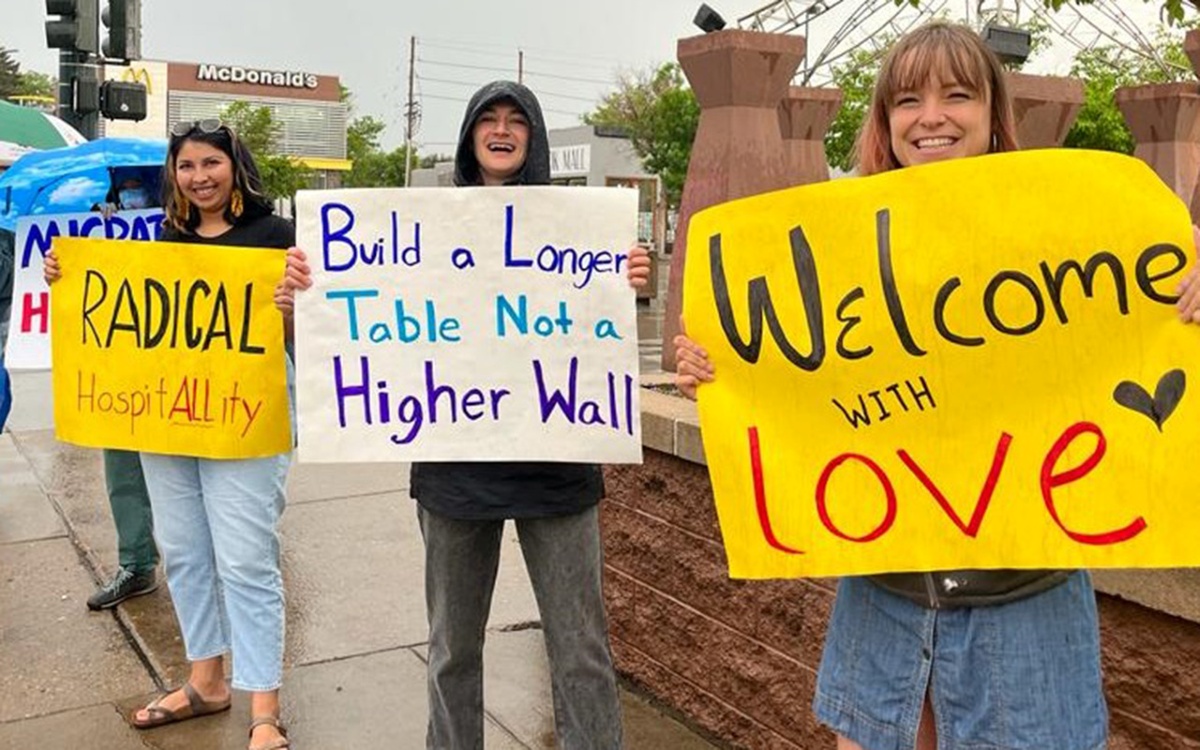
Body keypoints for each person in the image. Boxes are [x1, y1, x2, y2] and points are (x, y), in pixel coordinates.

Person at [675, 22, 1124, 750]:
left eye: (957, 94)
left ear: (993, 114)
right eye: (907, 100)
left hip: (1023, 606)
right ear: (885, 121)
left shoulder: (1063, 233)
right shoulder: (837, 246)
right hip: (885, 594)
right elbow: (794, 373)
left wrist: (1183, 286)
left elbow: (1128, 342)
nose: (932, 116)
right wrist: (720, 370)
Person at [280, 80, 651, 749]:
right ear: (470, 135)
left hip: (558, 468)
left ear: (534, 139)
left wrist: (628, 284)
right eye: (489, 119)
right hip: (455, 469)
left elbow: (604, 328)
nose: (502, 130)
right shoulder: (423, 226)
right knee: (453, 650)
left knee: (581, 650)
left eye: (517, 121)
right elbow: (359, 325)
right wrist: (308, 298)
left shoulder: (580, 228)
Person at [47, 119, 295, 750]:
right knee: (183, 550)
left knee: (245, 560)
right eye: (186, 167)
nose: (199, 177)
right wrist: (68, 278)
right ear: (173, 175)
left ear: (235, 166)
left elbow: (303, 341)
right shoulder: (166, 236)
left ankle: (262, 705)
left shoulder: (276, 239)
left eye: (211, 163)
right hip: (168, 420)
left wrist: (298, 308)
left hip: (245, 422)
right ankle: (206, 679)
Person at [85, 166, 163, 612]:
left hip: (183, 369)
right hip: (122, 370)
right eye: (124, 191)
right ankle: (136, 564)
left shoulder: (188, 228)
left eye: (141, 190)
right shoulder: (98, 228)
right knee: (123, 470)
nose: (132, 199)